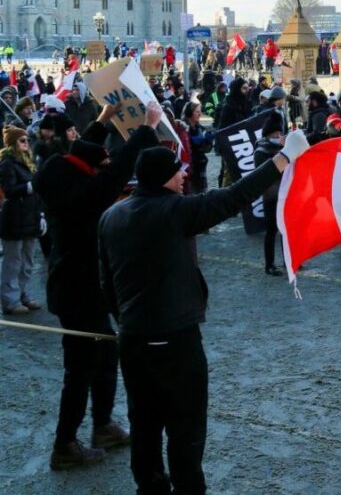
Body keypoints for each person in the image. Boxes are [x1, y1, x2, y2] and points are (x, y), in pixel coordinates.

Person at [98, 129, 309, 495]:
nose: (185, 174)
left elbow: (106, 285)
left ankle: (150, 488)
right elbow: (234, 196)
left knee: (144, 422)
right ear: (163, 177)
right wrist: (283, 158)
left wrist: (127, 322)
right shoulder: (175, 211)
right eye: (178, 169)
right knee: (186, 428)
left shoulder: (111, 216)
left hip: (132, 338)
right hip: (175, 338)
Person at [35, 102, 163, 470]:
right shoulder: (83, 198)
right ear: (88, 173)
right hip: (79, 292)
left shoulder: (58, 174)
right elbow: (116, 170)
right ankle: (65, 443)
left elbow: (82, 157)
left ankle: (103, 425)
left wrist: (101, 122)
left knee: (105, 355)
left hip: (76, 288)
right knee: (79, 369)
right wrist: (147, 129)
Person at [0, 126, 42, 315]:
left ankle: (23, 294)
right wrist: (30, 187)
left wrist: (41, 215)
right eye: (22, 140)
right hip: (15, 216)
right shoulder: (7, 163)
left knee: (27, 260)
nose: (26, 143)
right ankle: (11, 299)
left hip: (30, 215)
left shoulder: (29, 161)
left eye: (27, 140)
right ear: (13, 143)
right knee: (13, 261)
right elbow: (9, 190)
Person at [253, 111, 286, 276]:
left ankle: (288, 260)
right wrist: (281, 152)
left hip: (283, 194)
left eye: (281, 133)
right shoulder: (260, 151)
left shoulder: (279, 148)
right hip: (271, 196)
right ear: (268, 134)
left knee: (286, 229)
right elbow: (267, 172)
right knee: (272, 230)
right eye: (276, 133)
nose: (279, 136)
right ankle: (269, 264)